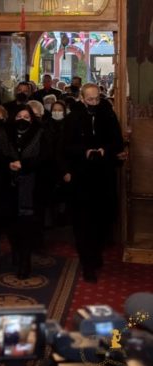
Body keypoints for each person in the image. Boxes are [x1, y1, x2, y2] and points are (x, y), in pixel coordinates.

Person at [64, 83, 123, 283]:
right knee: (83, 223)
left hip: (103, 177)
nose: (94, 102)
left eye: (97, 98)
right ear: (82, 98)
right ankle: (87, 263)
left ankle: (96, 253)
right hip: (82, 178)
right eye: (90, 99)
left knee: (101, 220)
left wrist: (105, 150)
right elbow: (66, 146)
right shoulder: (73, 118)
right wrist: (85, 152)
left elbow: (117, 142)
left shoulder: (108, 116)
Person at [0, 106, 46, 279]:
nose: (22, 119)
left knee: (26, 227)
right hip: (8, 187)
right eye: (19, 116)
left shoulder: (40, 134)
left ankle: (25, 261)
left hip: (31, 188)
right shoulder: (5, 134)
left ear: (32, 119)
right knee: (11, 225)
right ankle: (16, 251)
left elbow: (45, 157)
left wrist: (25, 165)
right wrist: (9, 164)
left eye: (26, 116)